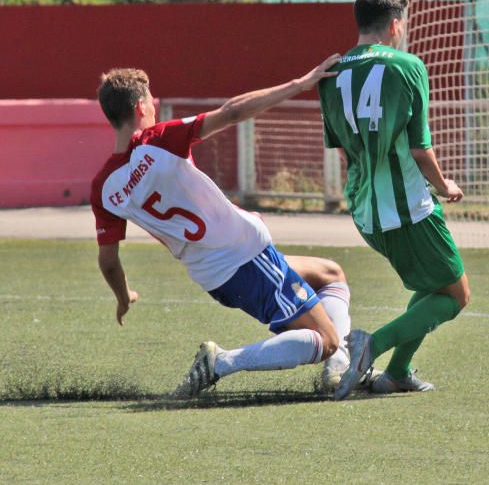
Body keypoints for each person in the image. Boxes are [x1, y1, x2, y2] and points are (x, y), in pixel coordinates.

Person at [91, 55, 357, 397]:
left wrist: (123, 296)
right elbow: (231, 112)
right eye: (152, 103)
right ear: (141, 105)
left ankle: (343, 365)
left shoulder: (104, 186)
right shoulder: (157, 140)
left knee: (330, 274)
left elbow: (108, 261)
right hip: (244, 257)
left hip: (214, 273)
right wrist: (300, 84)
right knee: (327, 341)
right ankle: (221, 362)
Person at [318, 0, 470, 400]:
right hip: (407, 208)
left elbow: (343, 146)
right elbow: (420, 148)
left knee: (435, 285)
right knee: (456, 295)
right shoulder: (407, 65)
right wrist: (445, 186)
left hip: (365, 209)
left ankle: (398, 372)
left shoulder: (331, 73)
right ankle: (373, 346)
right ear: (395, 24)